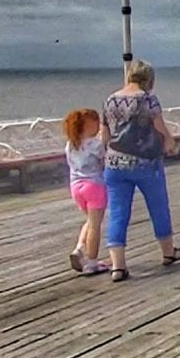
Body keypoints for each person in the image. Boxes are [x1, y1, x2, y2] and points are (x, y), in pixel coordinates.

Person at [101, 60, 180, 282]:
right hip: (145, 162)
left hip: (114, 164)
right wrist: (170, 141)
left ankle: (118, 267)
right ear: (148, 79)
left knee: (118, 213)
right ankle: (168, 252)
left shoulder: (110, 99)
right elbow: (159, 126)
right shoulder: (148, 99)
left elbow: (105, 136)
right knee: (158, 207)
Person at [62, 108, 110, 275]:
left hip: (76, 187)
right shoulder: (95, 144)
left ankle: (80, 248)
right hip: (94, 186)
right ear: (89, 125)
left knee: (90, 221)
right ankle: (91, 262)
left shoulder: (70, 145)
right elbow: (105, 159)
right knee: (95, 226)